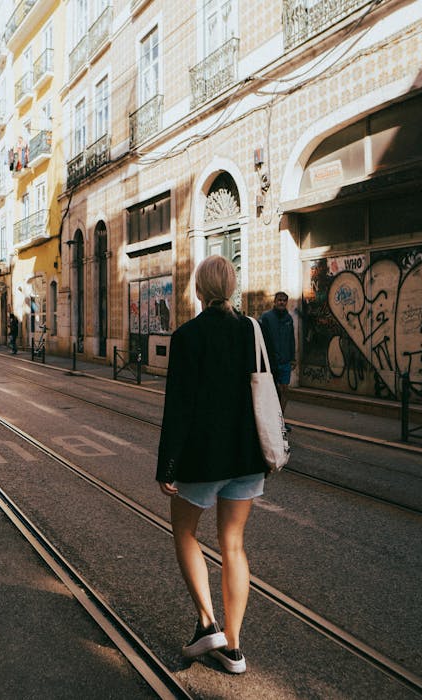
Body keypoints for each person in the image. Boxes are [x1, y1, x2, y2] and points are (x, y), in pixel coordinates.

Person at [156, 255, 267, 675]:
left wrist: (167, 465)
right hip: (247, 455)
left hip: (203, 459)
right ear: (233, 287)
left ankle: (207, 624)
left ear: (198, 290)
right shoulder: (252, 331)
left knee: (184, 531)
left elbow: (179, 408)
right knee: (233, 545)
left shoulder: (188, 337)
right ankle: (233, 649)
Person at [260, 292, 296, 419]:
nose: (282, 302)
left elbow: (292, 339)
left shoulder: (289, 319)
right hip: (271, 362)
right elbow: (261, 339)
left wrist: (293, 358)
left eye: (284, 301)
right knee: (273, 392)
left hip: (285, 361)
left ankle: (280, 419)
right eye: (279, 300)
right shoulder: (266, 317)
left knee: (285, 390)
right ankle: (271, 419)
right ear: (274, 302)